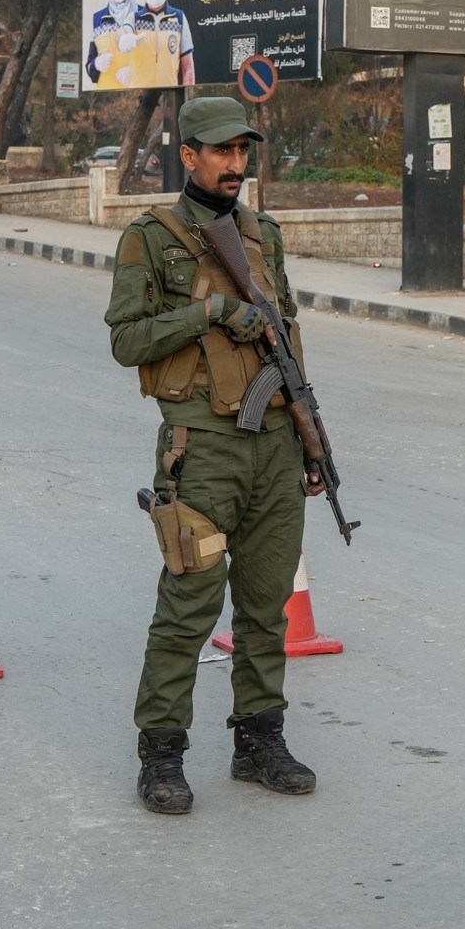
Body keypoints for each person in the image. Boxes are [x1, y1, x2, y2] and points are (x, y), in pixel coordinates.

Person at [103, 95, 321, 814]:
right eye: (220, 151)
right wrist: (209, 312)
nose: (235, 164)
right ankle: (161, 752)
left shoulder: (264, 234)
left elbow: (285, 337)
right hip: (201, 451)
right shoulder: (151, 238)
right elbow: (127, 341)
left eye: (242, 151)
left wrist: (310, 435)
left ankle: (261, 740)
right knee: (189, 604)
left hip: (274, 449)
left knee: (266, 606)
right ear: (187, 154)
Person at [135, 0, 196, 89]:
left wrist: (187, 105)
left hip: (170, 102)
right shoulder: (133, 19)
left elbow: (188, 71)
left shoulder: (179, 18)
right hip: (136, 103)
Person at [86, 0, 142, 86]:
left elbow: (156, 60)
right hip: (105, 94)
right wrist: (97, 64)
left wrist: (136, 73)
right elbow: (90, 68)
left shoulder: (144, 15)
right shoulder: (98, 19)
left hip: (137, 92)